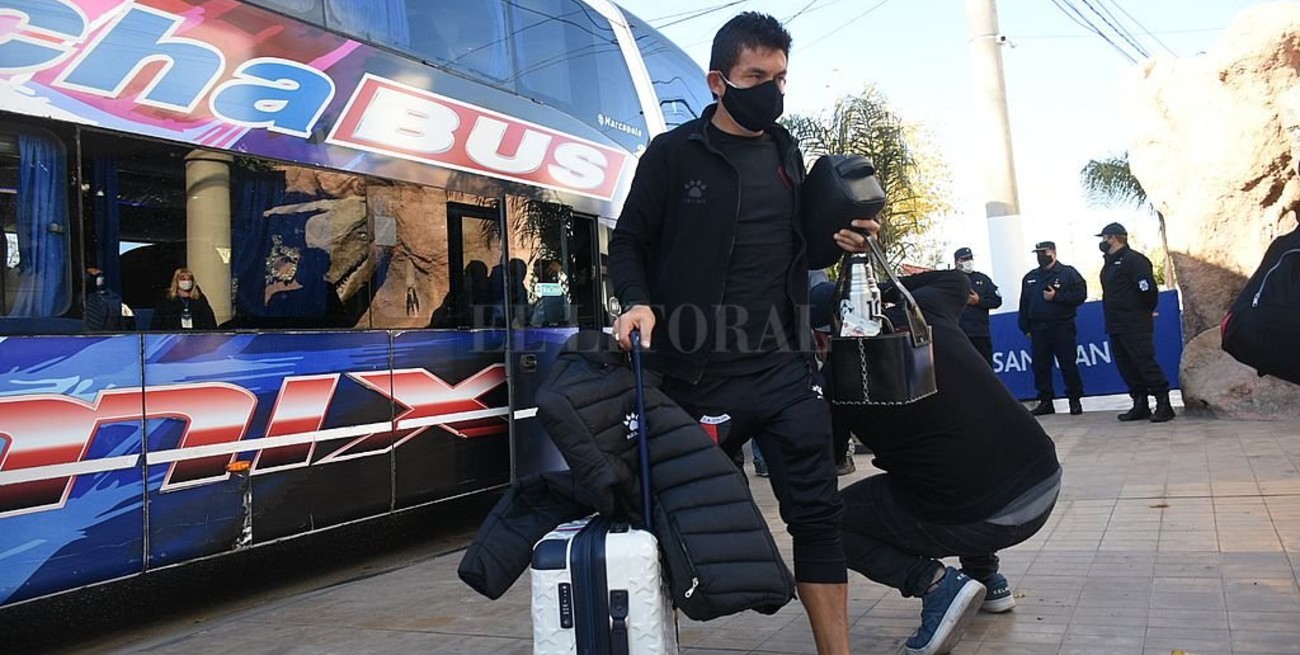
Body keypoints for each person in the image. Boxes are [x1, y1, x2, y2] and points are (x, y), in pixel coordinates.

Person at [609, 12, 871, 654]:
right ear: (718, 81)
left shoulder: (787, 152)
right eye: (757, 76)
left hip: (784, 368)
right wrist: (636, 303)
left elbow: (793, 252)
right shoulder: (672, 155)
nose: (772, 91)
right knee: (670, 513)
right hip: (695, 374)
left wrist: (838, 243)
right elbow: (629, 243)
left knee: (816, 515)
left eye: (780, 78)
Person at [834, 269, 1061, 655]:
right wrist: (888, 288)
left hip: (978, 517)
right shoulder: (926, 312)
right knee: (948, 463)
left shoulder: (839, 380)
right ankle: (986, 579)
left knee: (826, 523)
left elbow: (825, 467)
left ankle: (936, 584)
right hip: (1045, 481)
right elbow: (959, 280)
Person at [1097, 222, 1175, 422]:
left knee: (1144, 362)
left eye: (1104, 238)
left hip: (1134, 322)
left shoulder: (1134, 260)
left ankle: (1164, 404)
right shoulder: (1108, 264)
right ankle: (1140, 403)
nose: (1102, 242)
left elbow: (1147, 290)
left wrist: (1143, 311)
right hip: (1116, 324)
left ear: (1113, 238)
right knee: (1127, 366)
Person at [1019, 241, 1086, 416]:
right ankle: (1046, 401)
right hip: (1038, 329)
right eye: (1038, 253)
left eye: (1044, 252)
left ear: (1054, 252)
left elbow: (1080, 295)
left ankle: (1074, 400)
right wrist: (1025, 327)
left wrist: (1057, 297)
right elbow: (1024, 305)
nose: (1041, 256)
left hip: (1061, 326)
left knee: (1067, 364)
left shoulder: (1068, 273)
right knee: (1040, 366)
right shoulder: (1030, 277)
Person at [952, 247, 1002, 367]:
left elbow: (996, 300)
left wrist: (979, 301)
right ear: (957, 262)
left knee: (985, 368)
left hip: (980, 333)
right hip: (958, 334)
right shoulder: (950, 279)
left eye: (970, 258)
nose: (968, 261)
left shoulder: (982, 279)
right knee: (963, 370)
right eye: (964, 259)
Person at [150, 268, 217, 330]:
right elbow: (157, 320)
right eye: (183, 279)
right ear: (176, 281)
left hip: (195, 336)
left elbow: (209, 321)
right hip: (172, 337)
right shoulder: (167, 298)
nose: (186, 282)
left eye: (189, 279)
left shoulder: (199, 298)